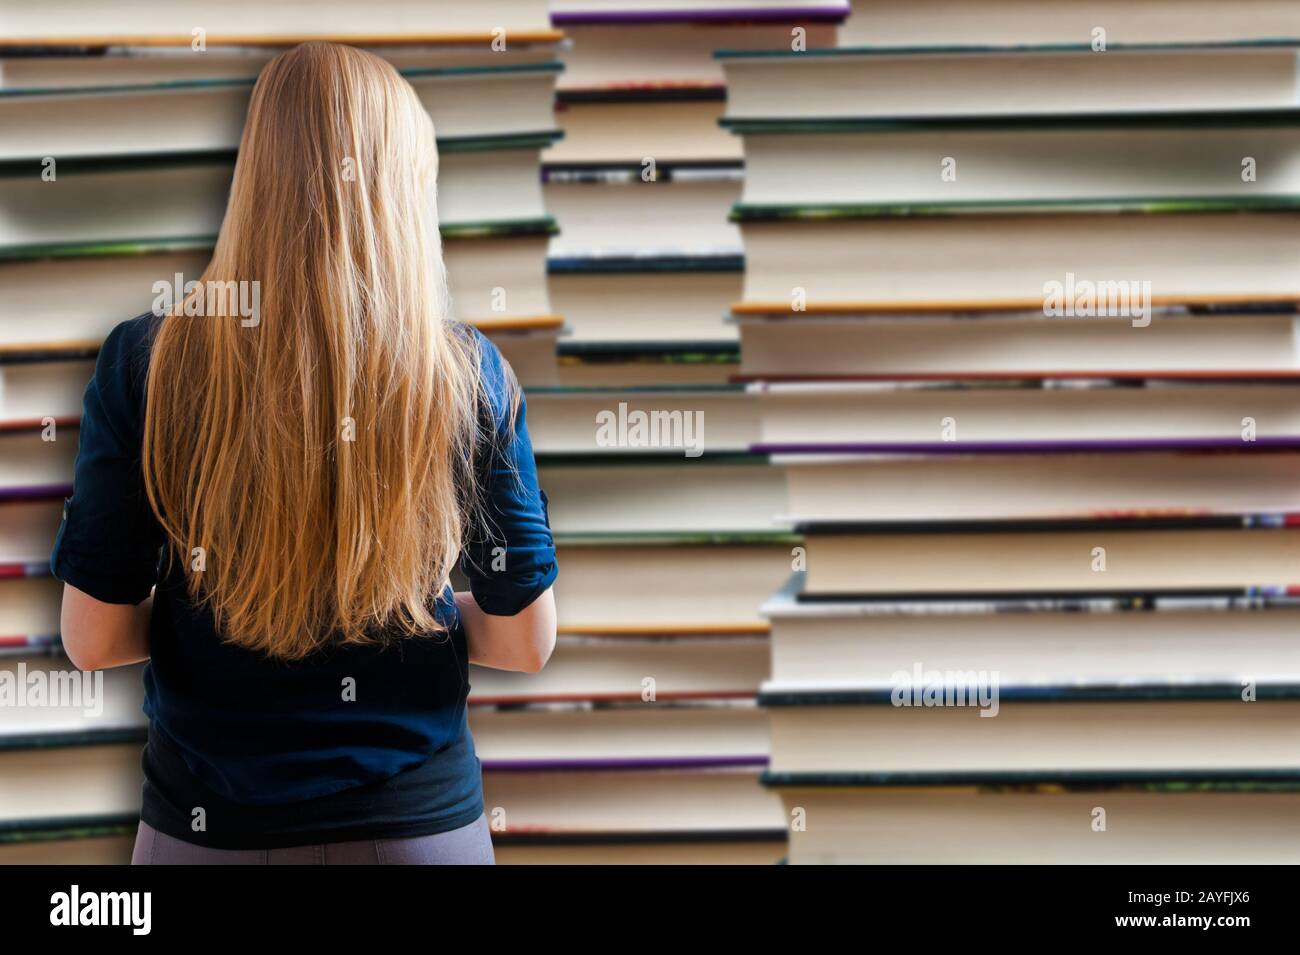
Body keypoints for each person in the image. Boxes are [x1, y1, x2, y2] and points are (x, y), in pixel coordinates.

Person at [51, 42, 558, 865]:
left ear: (255, 174)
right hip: (420, 833)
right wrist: (404, 613)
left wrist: (215, 620)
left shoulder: (147, 363)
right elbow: (524, 641)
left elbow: (95, 639)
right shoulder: (468, 375)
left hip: (206, 832)